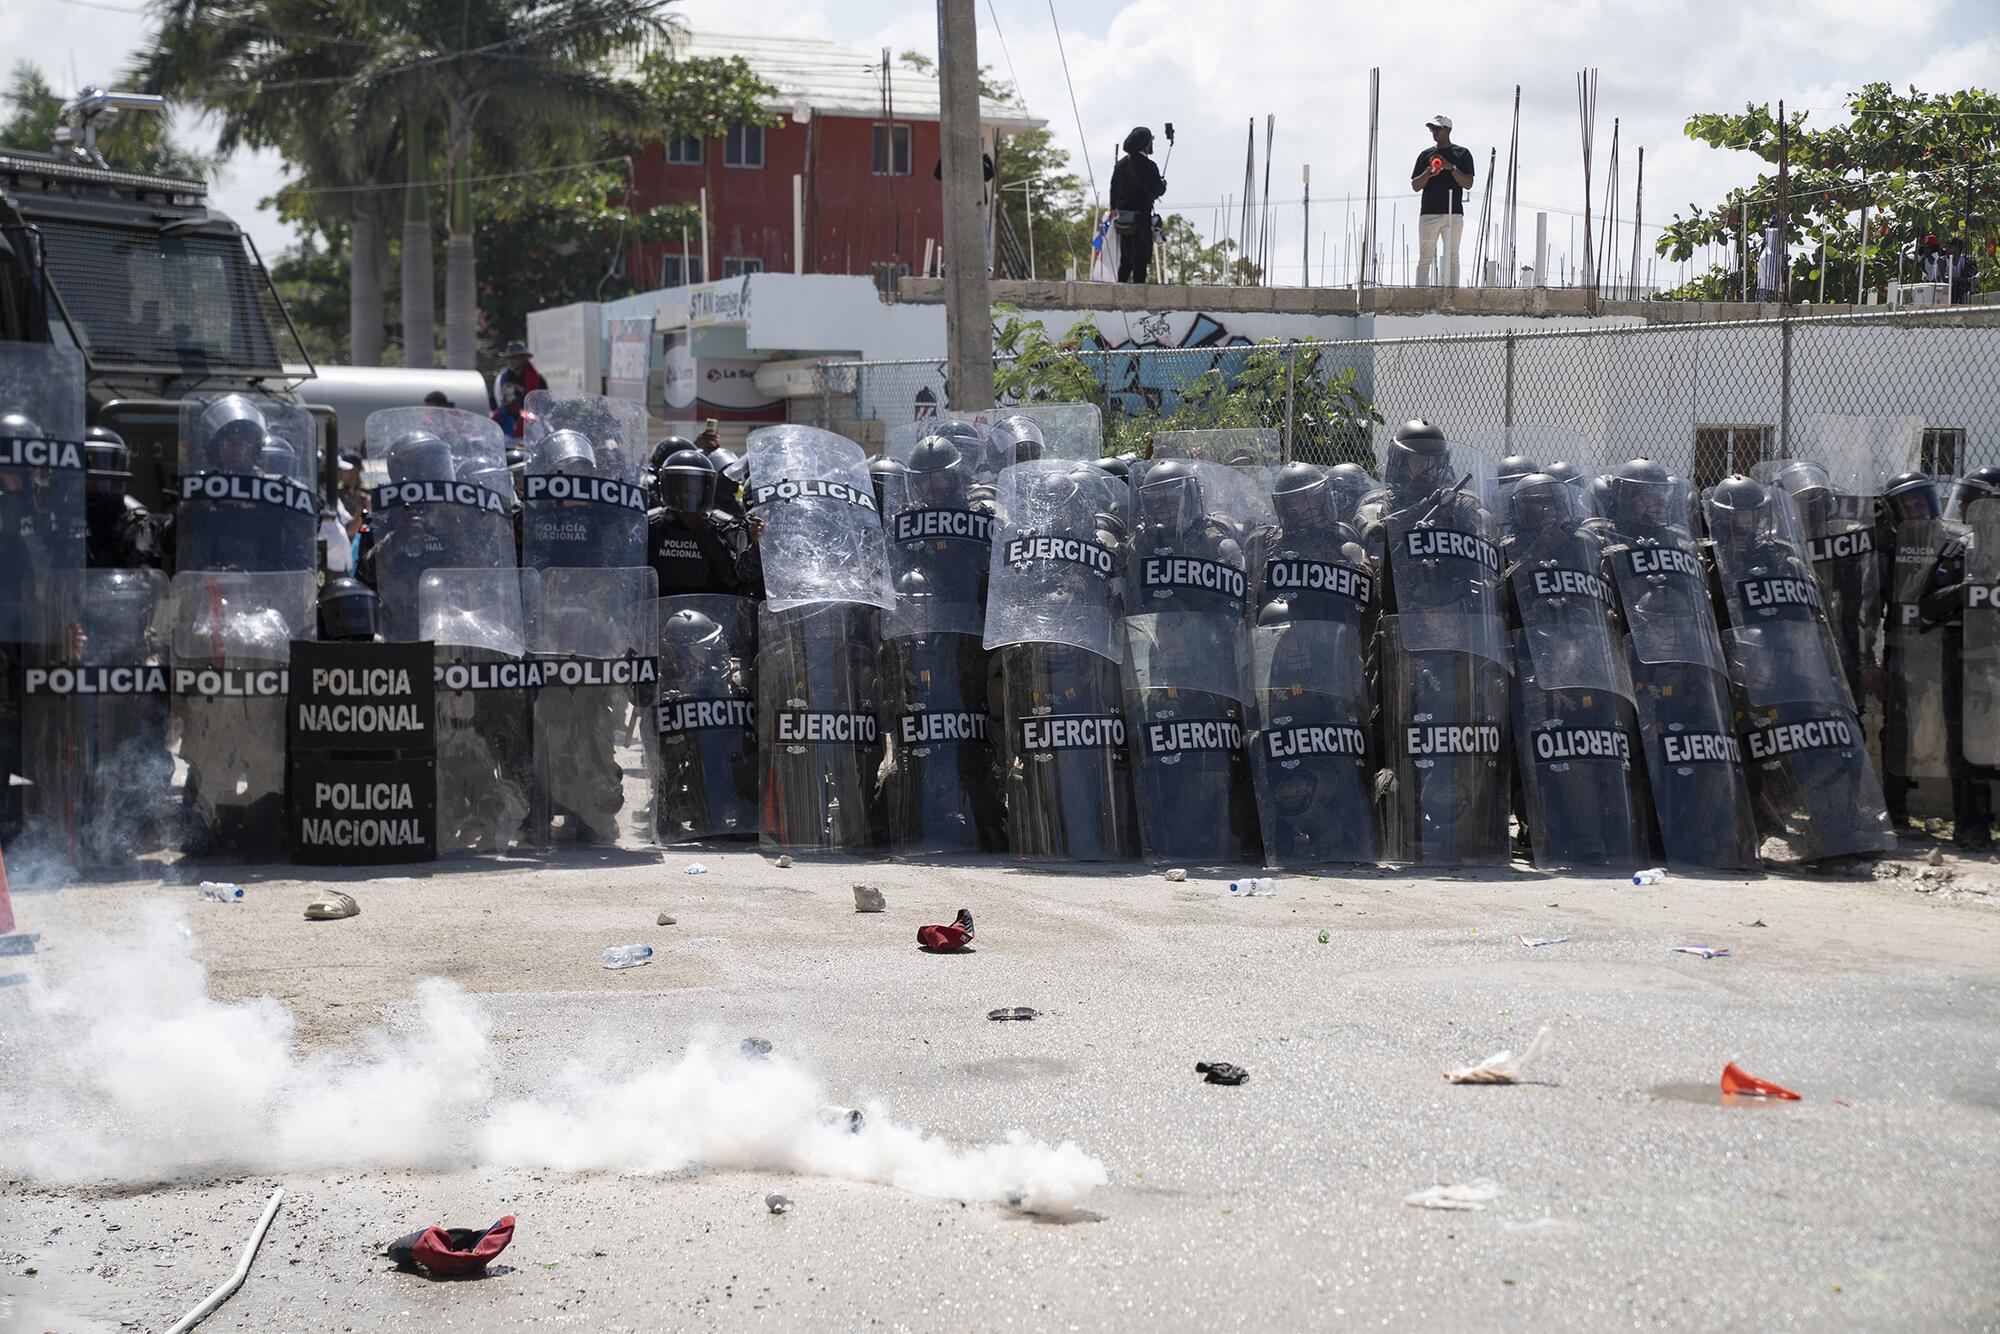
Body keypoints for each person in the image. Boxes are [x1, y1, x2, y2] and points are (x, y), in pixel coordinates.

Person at [1411, 115, 1475, 288]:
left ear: (1448, 130)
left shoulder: (1462, 154)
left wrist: (1451, 167)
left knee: (1452, 256)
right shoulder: (1426, 155)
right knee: (1425, 257)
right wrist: (1428, 172)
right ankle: (1420, 295)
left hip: (1452, 212)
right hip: (1429, 212)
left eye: (1437, 128)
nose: (1434, 132)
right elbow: (1415, 186)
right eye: (1432, 129)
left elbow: (1468, 183)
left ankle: (1453, 294)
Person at [1109, 127, 1167, 284]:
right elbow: (1157, 190)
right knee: (1140, 258)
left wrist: (1114, 210)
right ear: (1145, 143)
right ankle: (1139, 296)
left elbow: (1113, 190)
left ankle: (1119, 289)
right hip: (1141, 219)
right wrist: (1163, 184)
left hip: (1123, 219)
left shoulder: (1120, 165)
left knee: (1126, 259)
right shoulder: (1149, 166)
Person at [491, 340, 544, 438]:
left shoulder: (537, 379)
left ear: (524, 358)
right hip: (507, 420)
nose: (511, 361)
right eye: (509, 357)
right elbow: (496, 402)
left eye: (515, 357)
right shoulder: (503, 378)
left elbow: (543, 404)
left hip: (531, 423)